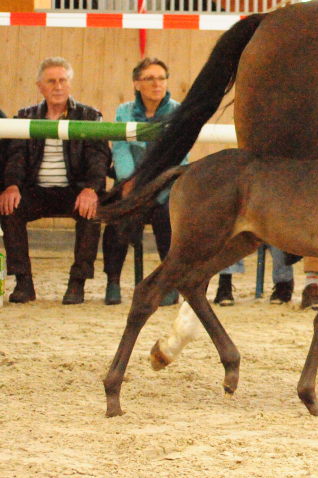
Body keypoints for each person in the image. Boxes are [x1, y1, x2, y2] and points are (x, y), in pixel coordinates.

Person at [0, 57, 110, 304]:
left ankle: (77, 282)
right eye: (51, 81)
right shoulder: (25, 116)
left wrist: (91, 189)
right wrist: (12, 186)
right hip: (36, 192)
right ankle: (23, 282)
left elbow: (99, 158)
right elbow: (15, 155)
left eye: (62, 80)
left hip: (75, 191)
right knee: (8, 208)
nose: (57, 86)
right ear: (40, 86)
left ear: (69, 84)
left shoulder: (90, 116)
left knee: (92, 211)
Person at [102, 57, 188, 306]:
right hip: (132, 184)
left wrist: (157, 184)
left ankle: (168, 282)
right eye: (149, 78)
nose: (157, 83)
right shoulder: (124, 111)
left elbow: (180, 156)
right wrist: (130, 183)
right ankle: (113, 282)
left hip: (166, 185)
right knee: (119, 217)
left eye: (161, 78)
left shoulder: (178, 111)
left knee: (167, 218)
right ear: (137, 83)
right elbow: (119, 150)